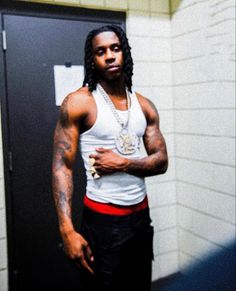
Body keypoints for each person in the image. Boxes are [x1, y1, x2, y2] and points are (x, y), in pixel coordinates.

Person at [52, 25, 168, 291]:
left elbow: (161, 160)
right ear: (92, 59)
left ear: (124, 53)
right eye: (100, 51)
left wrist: (124, 163)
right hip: (102, 222)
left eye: (115, 48)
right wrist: (66, 229)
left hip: (140, 219)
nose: (110, 56)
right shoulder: (80, 103)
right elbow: (62, 166)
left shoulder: (144, 105)